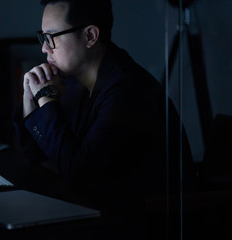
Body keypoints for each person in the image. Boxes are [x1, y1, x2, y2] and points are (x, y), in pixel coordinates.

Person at [12, 0, 193, 227]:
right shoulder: (81, 80)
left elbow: (78, 173)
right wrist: (31, 98)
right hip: (99, 209)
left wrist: (46, 96)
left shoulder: (127, 89)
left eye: (52, 37)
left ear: (90, 36)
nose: (44, 48)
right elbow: (37, 154)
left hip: (142, 222)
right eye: (43, 37)